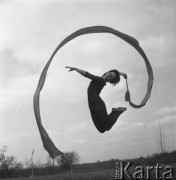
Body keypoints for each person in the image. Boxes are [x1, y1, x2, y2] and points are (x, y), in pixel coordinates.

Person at [65, 66, 128, 133]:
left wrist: (76, 69)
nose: (109, 75)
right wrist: (122, 74)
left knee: (107, 127)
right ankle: (114, 112)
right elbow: (114, 72)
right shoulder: (100, 79)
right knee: (102, 130)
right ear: (107, 72)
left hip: (98, 105)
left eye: (111, 77)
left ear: (109, 81)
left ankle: (116, 112)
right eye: (110, 73)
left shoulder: (100, 80)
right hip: (92, 107)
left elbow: (87, 74)